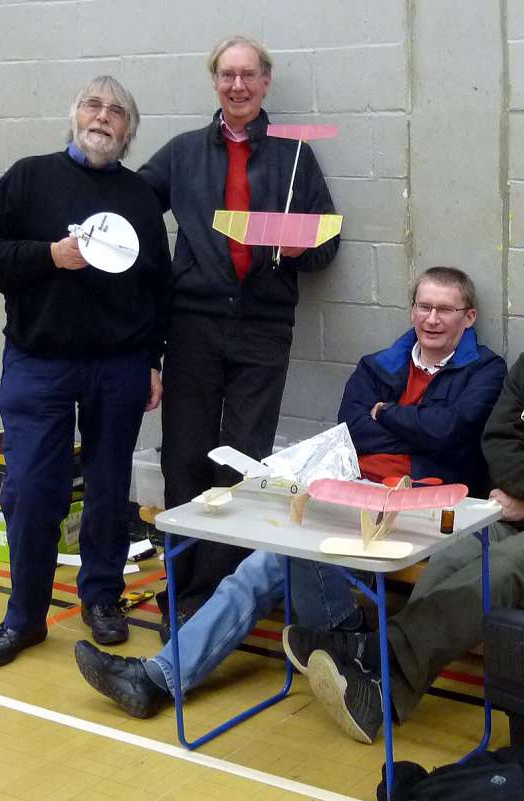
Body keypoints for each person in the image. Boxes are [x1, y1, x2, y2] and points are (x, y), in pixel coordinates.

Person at [72, 268, 505, 717]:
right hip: (351, 496)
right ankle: (163, 677)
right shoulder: (379, 364)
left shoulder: (487, 371)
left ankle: (164, 676)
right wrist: (410, 428)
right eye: (424, 306)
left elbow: (449, 432)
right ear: (412, 309)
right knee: (262, 564)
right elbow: (353, 429)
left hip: (421, 508)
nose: (432, 319)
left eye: (445, 309)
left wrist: (386, 415)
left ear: (469, 316)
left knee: (278, 556)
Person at [282, 260, 524, 744]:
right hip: (520, 510)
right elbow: (498, 441)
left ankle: (367, 654)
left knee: (501, 570)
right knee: (450, 558)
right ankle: (383, 690)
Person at [0, 75, 170, 668]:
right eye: (93, 106)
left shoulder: (139, 198)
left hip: (119, 366)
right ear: (75, 116)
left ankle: (101, 598)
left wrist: (152, 360)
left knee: (108, 488)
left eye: (117, 111)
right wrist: (48, 256)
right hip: (39, 364)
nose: (103, 117)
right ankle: (24, 616)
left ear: (129, 131)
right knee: (32, 490)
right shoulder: (28, 178)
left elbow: (159, 286)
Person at [137, 35, 340, 630]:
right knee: (184, 457)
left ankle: (216, 596)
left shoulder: (295, 156)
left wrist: (297, 245)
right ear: (214, 82)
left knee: (243, 462)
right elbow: (130, 208)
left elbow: (328, 244)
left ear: (266, 82)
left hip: (264, 328)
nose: (238, 86)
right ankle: (182, 590)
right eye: (227, 75)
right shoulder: (181, 153)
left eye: (249, 75)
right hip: (193, 326)